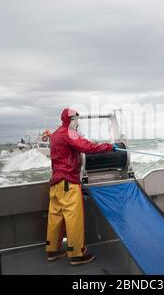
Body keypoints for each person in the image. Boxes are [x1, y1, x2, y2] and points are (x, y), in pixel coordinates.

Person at [46, 108, 116, 266]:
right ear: (70, 120)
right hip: (68, 182)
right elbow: (88, 147)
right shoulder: (69, 133)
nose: (78, 122)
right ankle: (77, 254)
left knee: (55, 217)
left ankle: (52, 250)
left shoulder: (55, 134)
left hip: (55, 183)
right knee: (73, 218)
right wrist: (109, 147)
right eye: (76, 119)